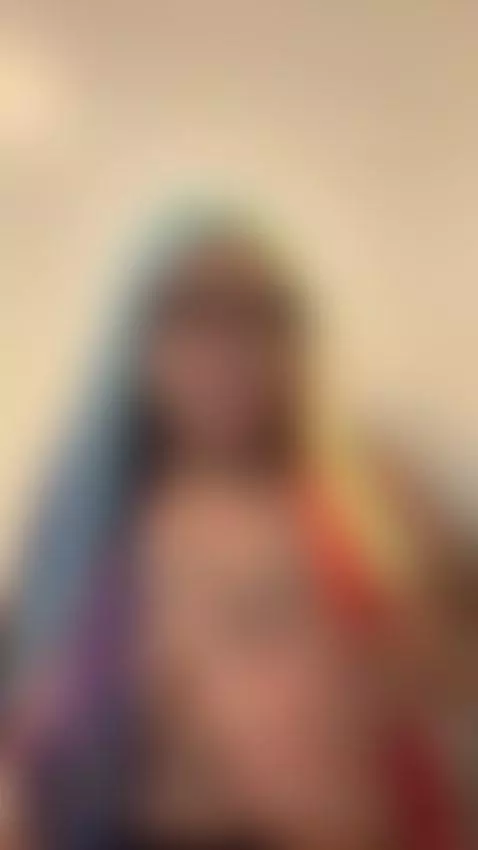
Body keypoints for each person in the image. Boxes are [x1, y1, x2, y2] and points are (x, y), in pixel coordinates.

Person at [3, 205, 461, 850]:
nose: (226, 354)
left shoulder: (364, 503)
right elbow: (38, 738)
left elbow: (434, 688)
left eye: (256, 318)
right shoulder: (93, 534)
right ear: (139, 344)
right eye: (194, 317)